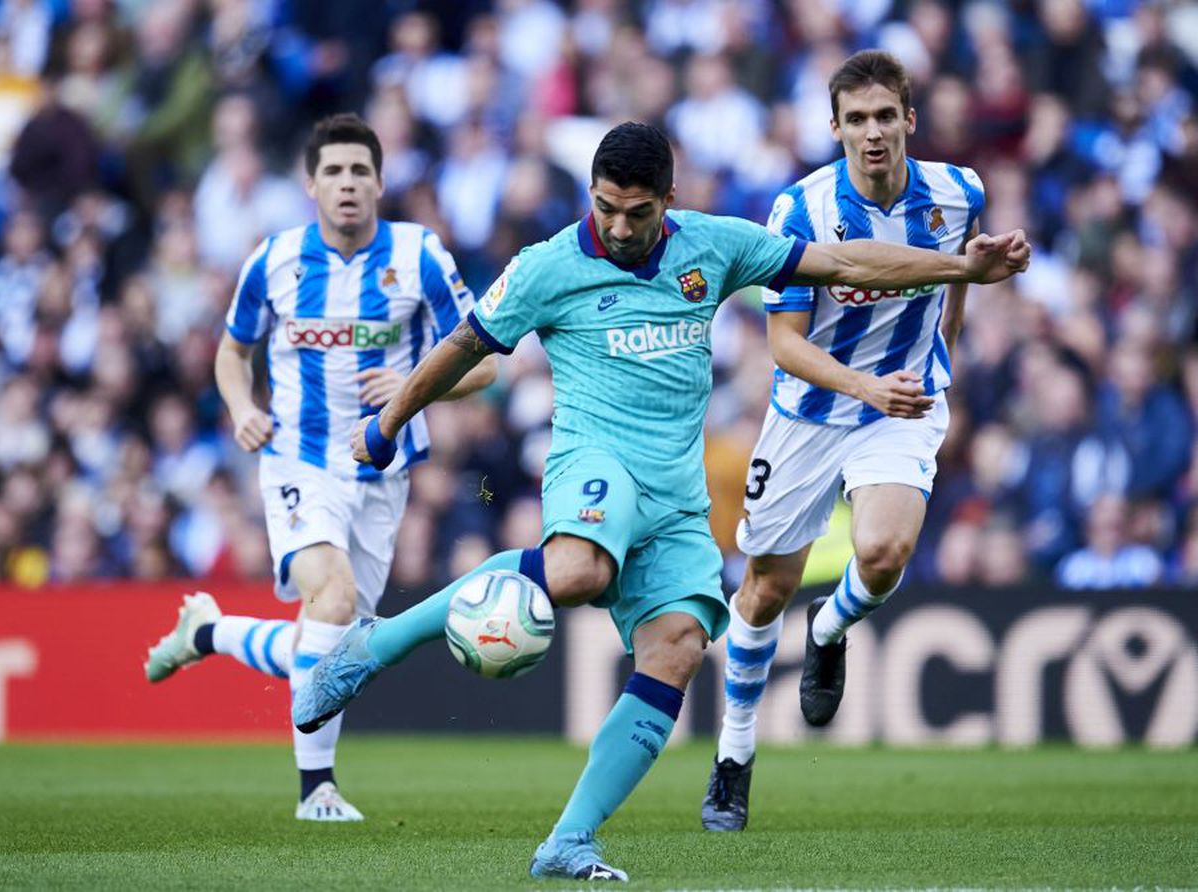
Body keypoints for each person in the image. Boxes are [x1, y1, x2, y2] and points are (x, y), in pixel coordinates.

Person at [292, 121, 1028, 879]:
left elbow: (841, 261)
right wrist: (387, 423)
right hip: (595, 461)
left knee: (677, 647)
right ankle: (374, 645)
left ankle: (568, 841)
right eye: (605, 208)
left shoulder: (715, 244)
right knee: (577, 570)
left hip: (675, 497)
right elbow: (462, 346)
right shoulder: (546, 266)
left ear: (669, 200)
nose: (618, 227)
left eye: (637, 213)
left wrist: (959, 270)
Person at [143, 113, 496, 821]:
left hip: (382, 471)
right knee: (331, 600)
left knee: (336, 649)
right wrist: (240, 406)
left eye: (359, 171)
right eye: (333, 171)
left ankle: (208, 632)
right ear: (311, 185)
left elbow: (484, 363)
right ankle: (316, 790)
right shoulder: (274, 259)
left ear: (380, 182)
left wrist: (414, 388)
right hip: (298, 462)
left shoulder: (421, 256)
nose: (347, 184)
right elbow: (232, 351)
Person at [701, 50, 989, 832]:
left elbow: (957, 277)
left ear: (909, 120)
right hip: (809, 410)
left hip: (900, 405)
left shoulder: (959, 193)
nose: (873, 132)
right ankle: (733, 756)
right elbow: (784, 344)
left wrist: (943, 356)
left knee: (885, 552)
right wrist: (865, 385)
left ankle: (827, 631)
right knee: (765, 589)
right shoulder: (800, 209)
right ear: (835, 128)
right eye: (856, 119)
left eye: (885, 116)